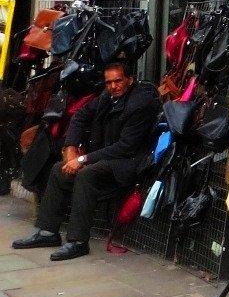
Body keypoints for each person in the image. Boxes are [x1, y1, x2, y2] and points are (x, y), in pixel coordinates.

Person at [14, 61, 159, 261]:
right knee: (59, 169)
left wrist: (83, 159)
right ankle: (47, 232)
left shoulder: (140, 103)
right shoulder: (107, 97)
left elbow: (126, 147)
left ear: (129, 79)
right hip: (104, 157)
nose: (113, 86)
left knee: (86, 174)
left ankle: (78, 242)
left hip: (128, 162)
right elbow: (80, 116)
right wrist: (71, 150)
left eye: (118, 81)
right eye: (109, 82)